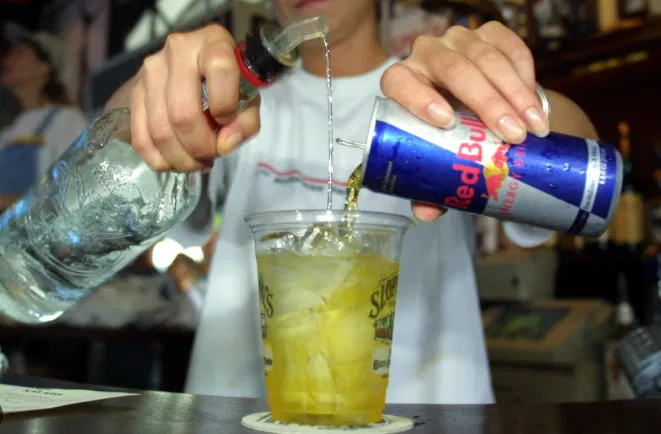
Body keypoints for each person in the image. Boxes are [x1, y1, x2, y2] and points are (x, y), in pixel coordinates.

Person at [106, 0, 598, 403]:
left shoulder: (435, 105)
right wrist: (156, 90)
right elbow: (111, 158)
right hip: (238, 410)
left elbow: (586, 177)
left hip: (427, 412)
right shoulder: (236, 106)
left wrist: (512, 106)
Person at [0, 23, 88, 210]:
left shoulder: (66, 120)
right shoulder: (8, 131)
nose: (7, 59)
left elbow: (77, 191)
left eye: (19, 53)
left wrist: (7, 202)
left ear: (44, 67)